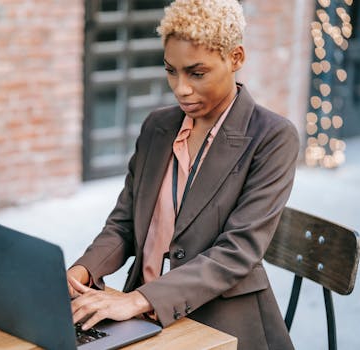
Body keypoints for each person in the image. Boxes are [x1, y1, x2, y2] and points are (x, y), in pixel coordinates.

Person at [68, 0, 299, 348]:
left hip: (221, 325)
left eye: (197, 72)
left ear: (235, 58)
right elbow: (125, 224)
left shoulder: (272, 137)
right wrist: (83, 270)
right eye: (170, 70)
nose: (181, 88)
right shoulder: (157, 127)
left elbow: (237, 252)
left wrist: (138, 300)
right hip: (142, 318)